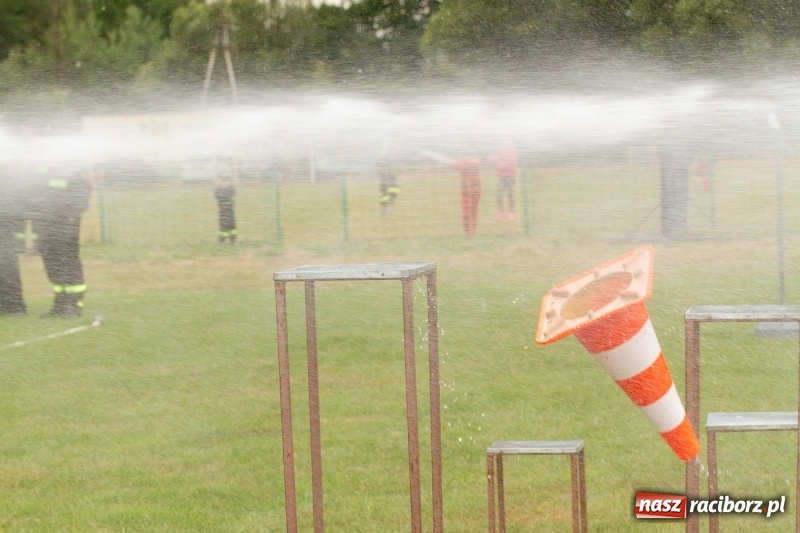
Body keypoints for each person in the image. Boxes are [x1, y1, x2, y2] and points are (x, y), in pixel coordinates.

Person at [29, 160, 92, 318]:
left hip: (65, 224)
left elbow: (83, 190)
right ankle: (60, 304)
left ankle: (74, 306)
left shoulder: (71, 164)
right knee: (53, 265)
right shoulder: (41, 166)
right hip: (45, 224)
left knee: (68, 263)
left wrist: (72, 214)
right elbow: (35, 193)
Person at [452, 154, 482, 237]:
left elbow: (473, 164)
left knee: (473, 212)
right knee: (465, 214)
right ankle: (467, 233)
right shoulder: (461, 161)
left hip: (475, 190)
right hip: (465, 191)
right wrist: (456, 164)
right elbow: (455, 166)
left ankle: (472, 233)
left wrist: (463, 164)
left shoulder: (475, 159)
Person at [488, 146, 519, 221]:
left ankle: (511, 213)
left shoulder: (511, 151)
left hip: (510, 176)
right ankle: (500, 212)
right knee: (499, 194)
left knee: (510, 194)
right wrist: (498, 163)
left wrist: (503, 163)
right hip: (501, 177)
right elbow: (491, 160)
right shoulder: (499, 150)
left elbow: (513, 161)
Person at [213, 159, 237, 245]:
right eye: (222, 181)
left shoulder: (230, 189)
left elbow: (232, 192)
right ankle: (222, 241)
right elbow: (218, 195)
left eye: (226, 181)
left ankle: (233, 240)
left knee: (232, 225)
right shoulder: (218, 190)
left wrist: (227, 187)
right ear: (219, 181)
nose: (224, 182)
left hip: (230, 210)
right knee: (223, 225)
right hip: (223, 211)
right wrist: (221, 188)